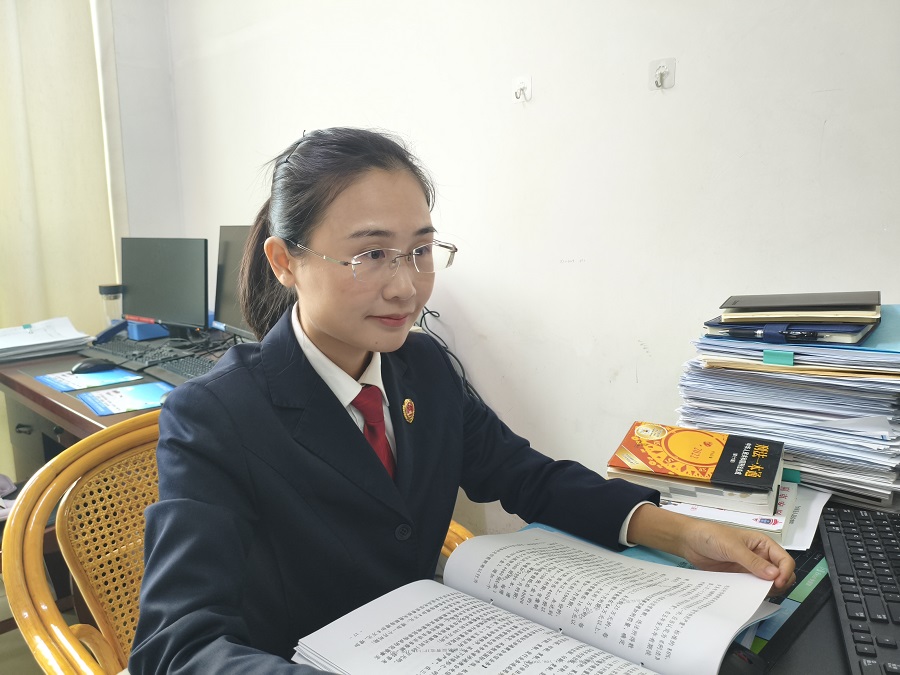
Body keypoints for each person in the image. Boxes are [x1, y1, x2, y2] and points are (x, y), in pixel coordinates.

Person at [130, 127, 795, 674]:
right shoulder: (215, 417)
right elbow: (176, 647)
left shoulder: (422, 367)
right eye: (371, 255)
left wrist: (678, 530)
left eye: (420, 250)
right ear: (285, 261)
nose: (407, 287)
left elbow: (526, 477)